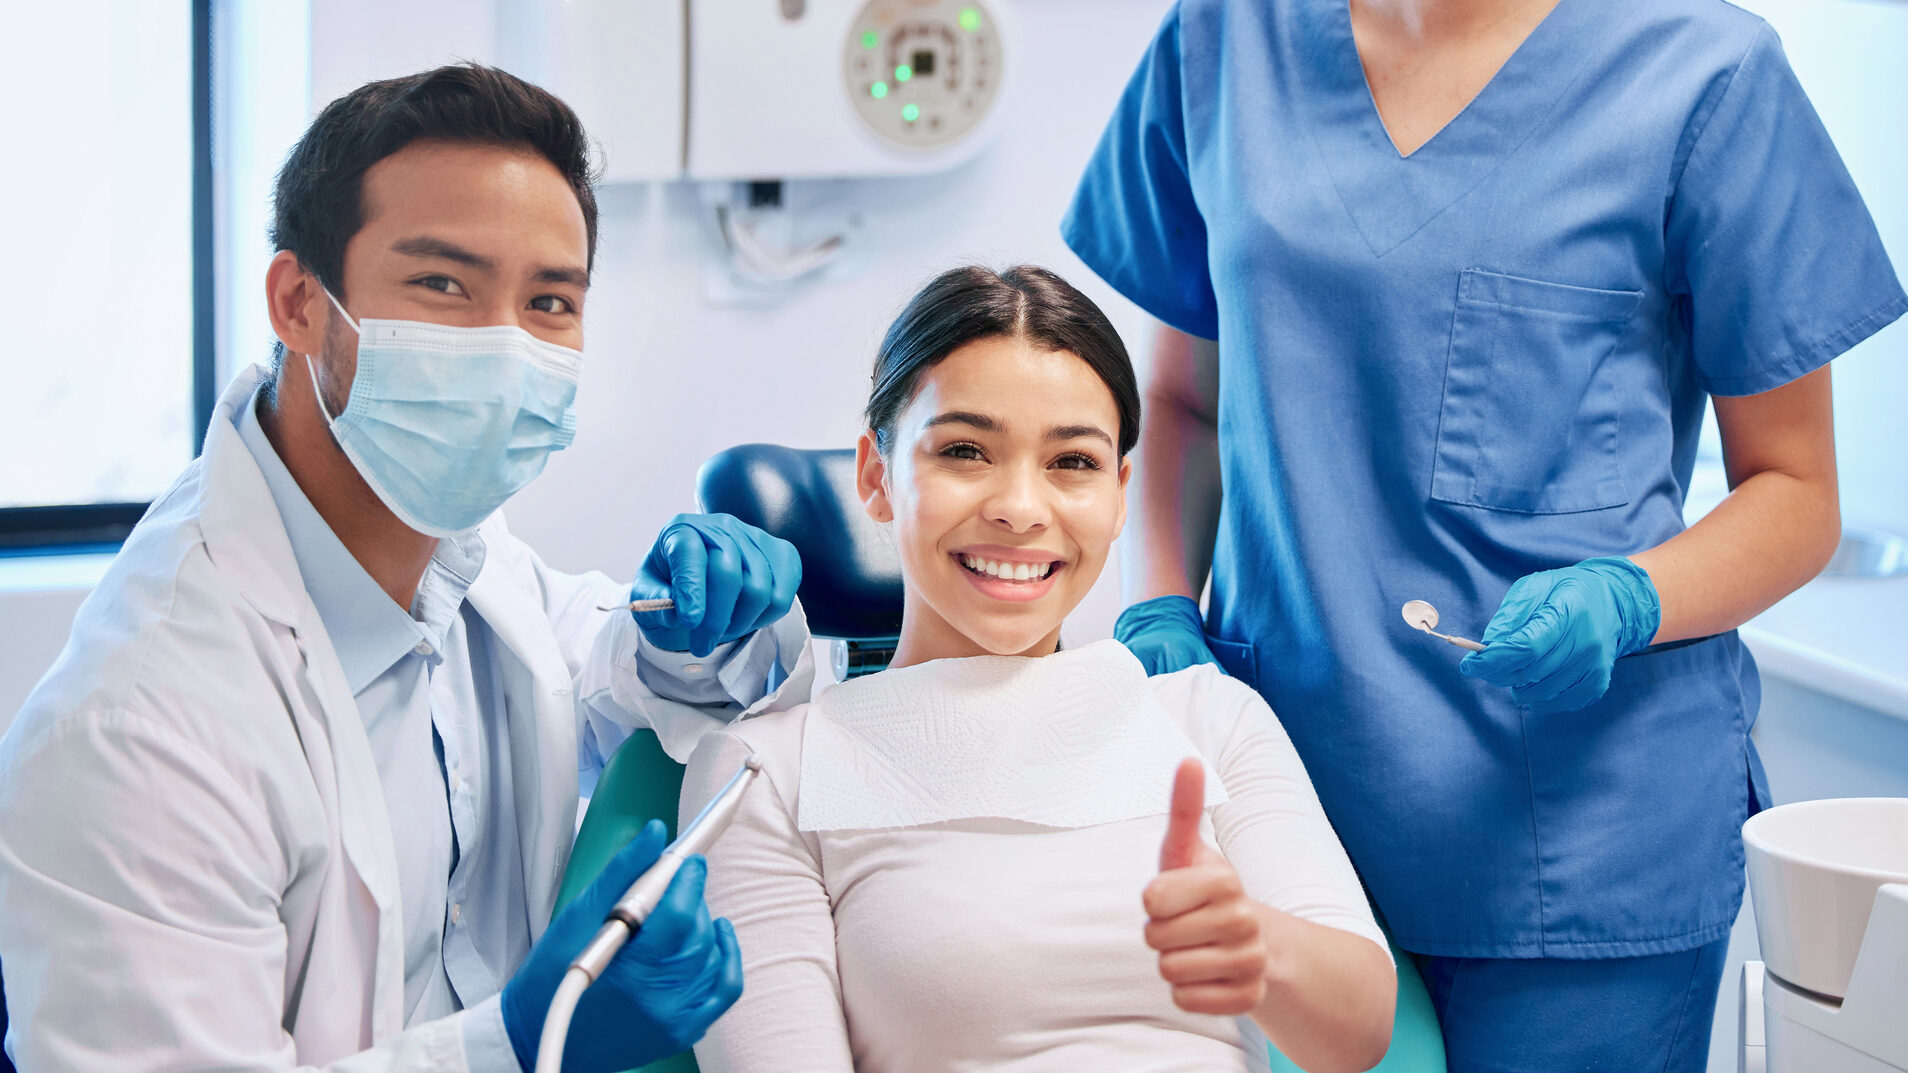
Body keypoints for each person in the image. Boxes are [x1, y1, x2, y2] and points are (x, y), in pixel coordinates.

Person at [1061, 0, 1908, 1068]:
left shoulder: (1706, 72)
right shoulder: (1224, 39)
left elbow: (1795, 492)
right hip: (1290, 804)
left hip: (1582, 840)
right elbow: (1184, 403)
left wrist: (1627, 596)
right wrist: (1162, 603)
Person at [0, 65, 815, 1073]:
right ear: (300, 303)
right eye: (441, 284)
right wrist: (520, 1042)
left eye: (550, 300)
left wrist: (701, 630)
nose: (505, 346)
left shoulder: (457, 551)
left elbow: (609, 676)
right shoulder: (138, 724)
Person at [679, 265, 1396, 1073]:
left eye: (1073, 463)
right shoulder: (767, 771)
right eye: (964, 450)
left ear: (1121, 491)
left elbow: (1360, 1033)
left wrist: (1258, 943)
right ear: (877, 476)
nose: (1022, 507)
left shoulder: (1207, 719)